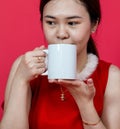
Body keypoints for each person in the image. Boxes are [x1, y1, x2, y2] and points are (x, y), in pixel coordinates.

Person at [0, 0, 120, 129]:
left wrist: (86, 105)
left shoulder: (112, 78)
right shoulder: (24, 66)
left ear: (94, 24)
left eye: (72, 23)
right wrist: (21, 80)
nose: (61, 34)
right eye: (51, 23)